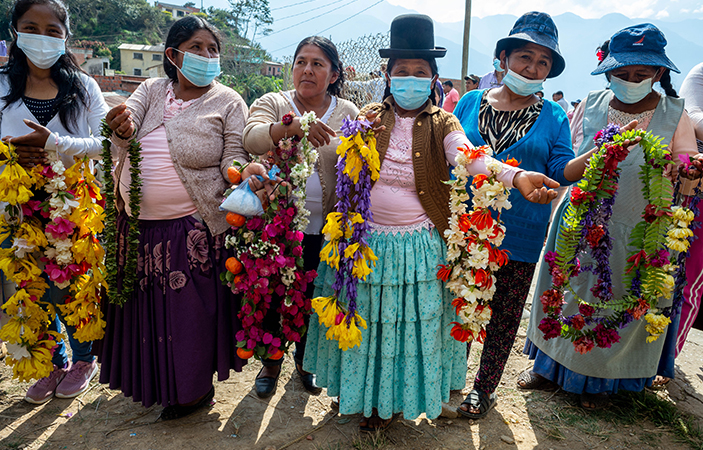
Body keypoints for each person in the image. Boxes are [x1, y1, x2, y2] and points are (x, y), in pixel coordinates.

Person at [303, 13, 561, 433]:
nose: (409, 79)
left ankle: (398, 401)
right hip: (363, 246)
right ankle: (363, 400)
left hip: (418, 248)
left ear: (434, 79)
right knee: (368, 325)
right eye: (400, 71)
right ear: (387, 76)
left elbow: (469, 156)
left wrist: (515, 176)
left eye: (419, 72)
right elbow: (338, 151)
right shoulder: (368, 116)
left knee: (407, 330)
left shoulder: (443, 122)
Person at [520, 23, 701, 409]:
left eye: (642, 75)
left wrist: (692, 168)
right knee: (567, 295)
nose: (631, 81)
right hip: (581, 225)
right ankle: (548, 368)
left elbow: (685, 164)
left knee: (620, 300)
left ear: (659, 74)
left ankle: (602, 383)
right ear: (608, 72)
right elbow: (569, 163)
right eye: (622, 74)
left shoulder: (674, 111)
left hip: (640, 231)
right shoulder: (594, 104)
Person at [98, 15, 265, 420]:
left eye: (213, 50)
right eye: (197, 48)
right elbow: (127, 122)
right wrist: (119, 125)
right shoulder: (152, 89)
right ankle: (155, 385)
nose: (207, 56)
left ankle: (191, 392)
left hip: (192, 228)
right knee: (145, 312)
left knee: (188, 317)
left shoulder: (227, 100)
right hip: (136, 229)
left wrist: (243, 174)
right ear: (173, 55)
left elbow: (233, 155)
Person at [452, 11, 601, 420]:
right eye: (523, 57)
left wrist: (598, 155)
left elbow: (561, 170)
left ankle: (483, 390)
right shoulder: (469, 102)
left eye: (542, 62)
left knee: (502, 317)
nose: (532, 68)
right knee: (458, 307)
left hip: (519, 234)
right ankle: (450, 381)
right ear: (503, 59)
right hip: (462, 230)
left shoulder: (553, 117)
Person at [0, 0, 108, 404]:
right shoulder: (1, 86)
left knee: (71, 288)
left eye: (52, 30)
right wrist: (7, 151)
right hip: (16, 211)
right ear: (15, 32)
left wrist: (56, 144)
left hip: (72, 209)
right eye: (31, 27)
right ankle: (52, 362)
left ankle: (83, 359)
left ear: (65, 38)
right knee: (30, 289)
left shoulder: (84, 88)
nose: (41, 37)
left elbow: (105, 144)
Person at [242, 36, 359, 399]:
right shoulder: (274, 103)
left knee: (311, 295)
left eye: (318, 64)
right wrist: (288, 129)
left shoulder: (347, 112)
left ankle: (304, 361)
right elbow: (252, 137)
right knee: (275, 297)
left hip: (325, 229)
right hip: (277, 229)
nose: (307, 70)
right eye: (301, 62)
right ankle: (271, 362)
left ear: (334, 74)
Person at [675, 62, 703, 356]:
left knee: (691, 280)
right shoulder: (700, 73)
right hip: (690, 187)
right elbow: (693, 118)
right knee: (664, 267)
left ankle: (666, 359)